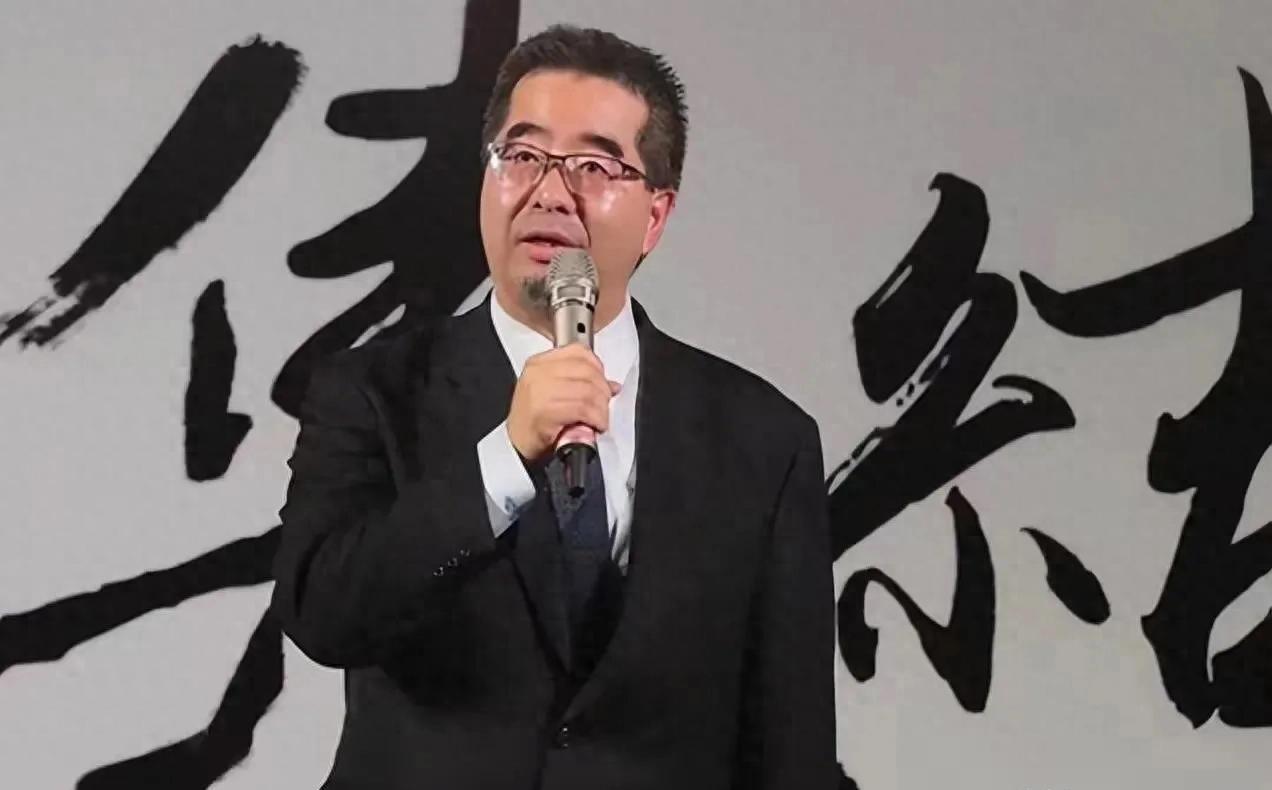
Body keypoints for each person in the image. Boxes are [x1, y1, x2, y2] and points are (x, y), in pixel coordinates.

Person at [270, 24, 836, 790]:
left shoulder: (763, 439)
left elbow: (792, 743)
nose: (549, 192)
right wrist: (503, 460)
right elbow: (322, 613)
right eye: (523, 156)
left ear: (656, 214)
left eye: (594, 167)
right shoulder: (372, 390)